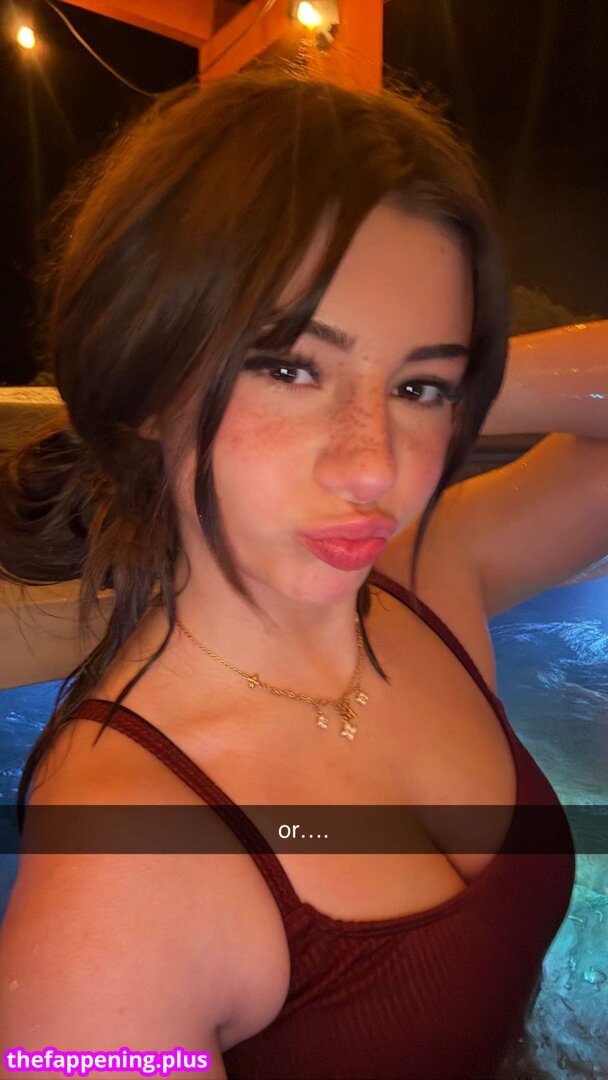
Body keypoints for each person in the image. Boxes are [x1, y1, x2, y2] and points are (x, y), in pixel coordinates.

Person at [0, 64, 606, 1080]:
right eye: (287, 367)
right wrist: (401, 375)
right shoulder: (121, 876)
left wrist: (457, 384)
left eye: (421, 386)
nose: (374, 467)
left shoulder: (427, 579)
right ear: (143, 379)